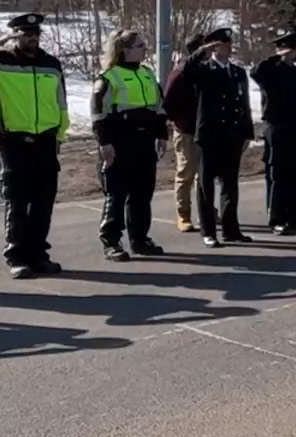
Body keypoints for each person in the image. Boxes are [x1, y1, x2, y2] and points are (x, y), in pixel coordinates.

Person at [0, 13, 69, 279]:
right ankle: (17, 256)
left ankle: (38, 255)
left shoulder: (50, 63)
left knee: (43, 202)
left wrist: (60, 135)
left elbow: (60, 101)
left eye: (35, 33)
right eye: (24, 33)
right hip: (14, 141)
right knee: (18, 201)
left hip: (46, 140)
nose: (31, 37)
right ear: (15, 35)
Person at [90, 29, 167, 261]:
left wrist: (162, 135)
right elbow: (98, 114)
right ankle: (111, 242)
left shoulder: (147, 74)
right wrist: (104, 144)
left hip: (144, 142)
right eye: (140, 46)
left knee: (142, 193)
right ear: (124, 50)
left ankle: (140, 239)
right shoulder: (109, 77)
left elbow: (159, 108)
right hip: (119, 143)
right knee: (116, 193)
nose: (145, 49)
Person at [177, 27, 254, 246]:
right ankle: (209, 231)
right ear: (213, 47)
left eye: (229, 43)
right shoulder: (204, 70)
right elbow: (185, 72)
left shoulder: (237, 72)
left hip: (232, 135)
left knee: (230, 184)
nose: (229, 47)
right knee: (205, 185)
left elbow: (244, 104)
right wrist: (201, 51)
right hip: (209, 137)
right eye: (224, 43)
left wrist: (247, 132)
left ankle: (231, 229)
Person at [253, 32, 296, 234]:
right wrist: (276, 56)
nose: (292, 53)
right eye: (288, 49)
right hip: (278, 129)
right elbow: (256, 72)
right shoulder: (271, 72)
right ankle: (277, 219)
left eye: (294, 49)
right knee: (278, 176)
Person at [165, 33, 207, 234]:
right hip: (187, 131)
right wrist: (180, 122)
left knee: (204, 175)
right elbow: (168, 103)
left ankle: (206, 211)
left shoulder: (206, 71)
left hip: (205, 131)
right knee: (186, 173)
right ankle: (184, 215)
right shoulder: (181, 72)